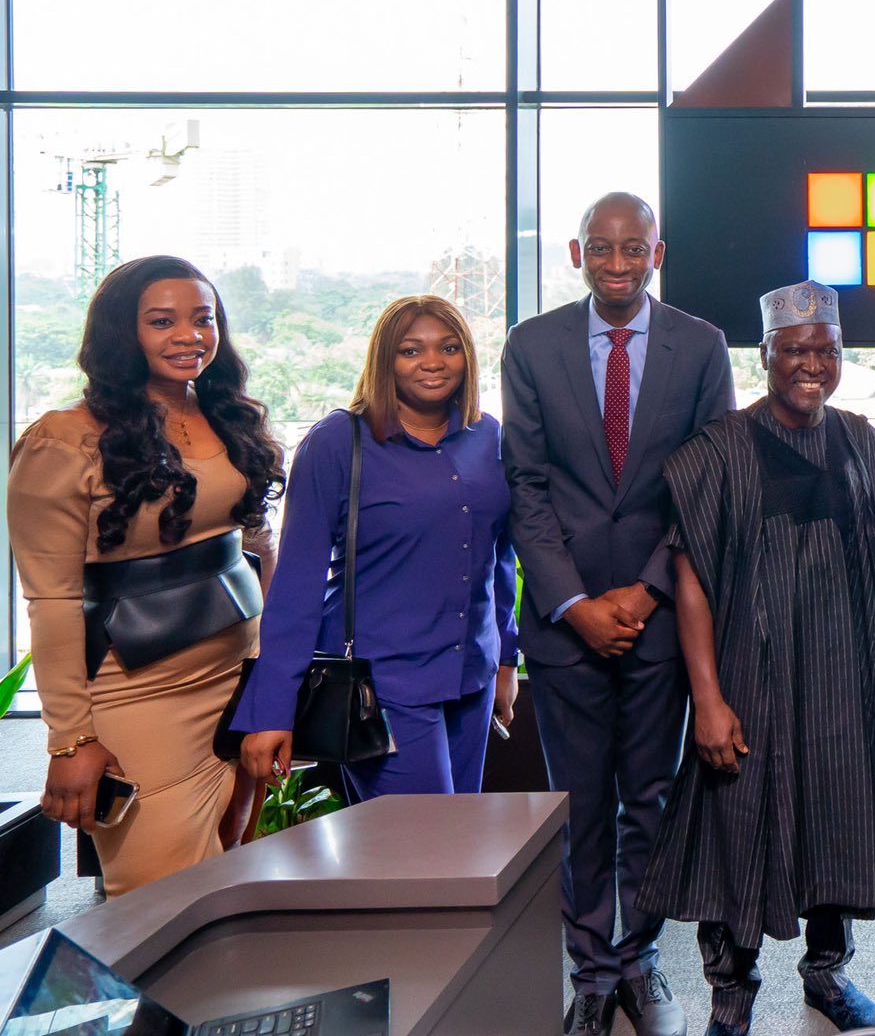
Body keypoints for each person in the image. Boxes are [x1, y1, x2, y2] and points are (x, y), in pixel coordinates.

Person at [642, 281, 875, 1036]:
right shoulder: (717, 452)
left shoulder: (866, 446)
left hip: (839, 678)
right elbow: (689, 577)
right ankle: (731, 1000)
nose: (811, 364)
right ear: (765, 355)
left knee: (839, 816)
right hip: (747, 682)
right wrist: (708, 698)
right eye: (795, 350)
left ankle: (827, 975)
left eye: (825, 350)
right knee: (736, 829)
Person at [501, 192, 735, 1036]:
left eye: (631, 248)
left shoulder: (702, 346)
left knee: (650, 799)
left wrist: (643, 590)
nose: (616, 263)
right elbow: (524, 488)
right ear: (577, 253)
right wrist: (571, 602)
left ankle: (638, 957)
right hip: (567, 624)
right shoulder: (531, 347)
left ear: (656, 253)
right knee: (579, 803)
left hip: (660, 613)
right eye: (601, 249)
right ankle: (591, 971)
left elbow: (708, 483)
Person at [10, 256, 283, 895]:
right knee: (158, 904)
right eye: (162, 322)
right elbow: (51, 602)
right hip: (139, 695)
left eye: (203, 319)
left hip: (241, 681)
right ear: (120, 334)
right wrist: (70, 739)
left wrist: (273, 669)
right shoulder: (63, 440)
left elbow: (258, 546)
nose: (188, 336)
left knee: (225, 885)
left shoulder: (226, 417)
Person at [234, 296, 518, 799]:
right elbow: (298, 586)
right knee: (420, 857)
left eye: (449, 347)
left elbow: (497, 558)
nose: (433, 362)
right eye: (411, 350)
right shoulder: (337, 442)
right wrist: (272, 710)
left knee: (461, 856)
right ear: (384, 360)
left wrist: (504, 663)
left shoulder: (488, 436)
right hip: (382, 690)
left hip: (470, 681)